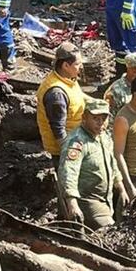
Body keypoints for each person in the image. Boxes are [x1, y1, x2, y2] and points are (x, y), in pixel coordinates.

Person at [58, 98, 129, 230]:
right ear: (84, 117)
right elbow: (68, 172)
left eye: (104, 118)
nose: (100, 123)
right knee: (110, 232)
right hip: (87, 201)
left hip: (106, 199)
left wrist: (122, 189)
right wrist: (72, 203)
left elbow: (112, 164)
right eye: (95, 118)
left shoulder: (104, 137)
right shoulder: (77, 142)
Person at [37, 43, 86, 177]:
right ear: (65, 65)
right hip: (64, 149)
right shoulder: (56, 93)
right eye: (77, 64)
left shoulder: (67, 78)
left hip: (76, 139)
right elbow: (59, 131)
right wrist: (70, 156)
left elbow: (78, 96)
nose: (81, 67)